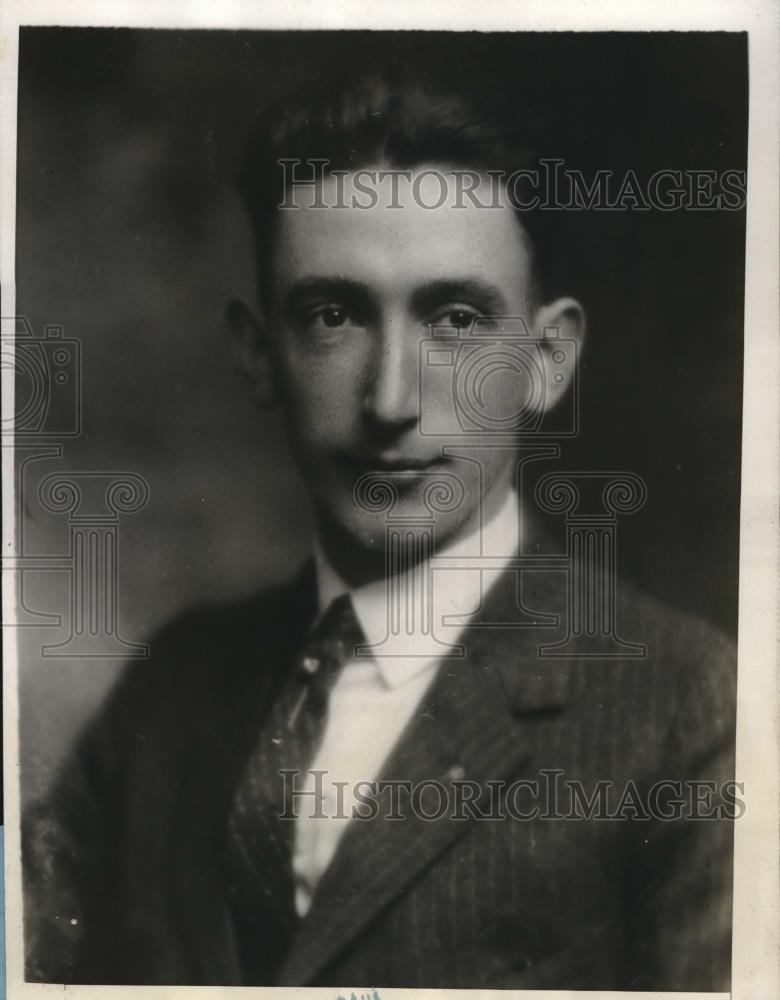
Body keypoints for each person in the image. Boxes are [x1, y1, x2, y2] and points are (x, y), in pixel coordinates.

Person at [23, 68, 736, 990]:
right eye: (333, 315)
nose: (390, 400)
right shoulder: (172, 691)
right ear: (257, 354)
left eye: (454, 320)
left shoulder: (687, 711)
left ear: (545, 361)